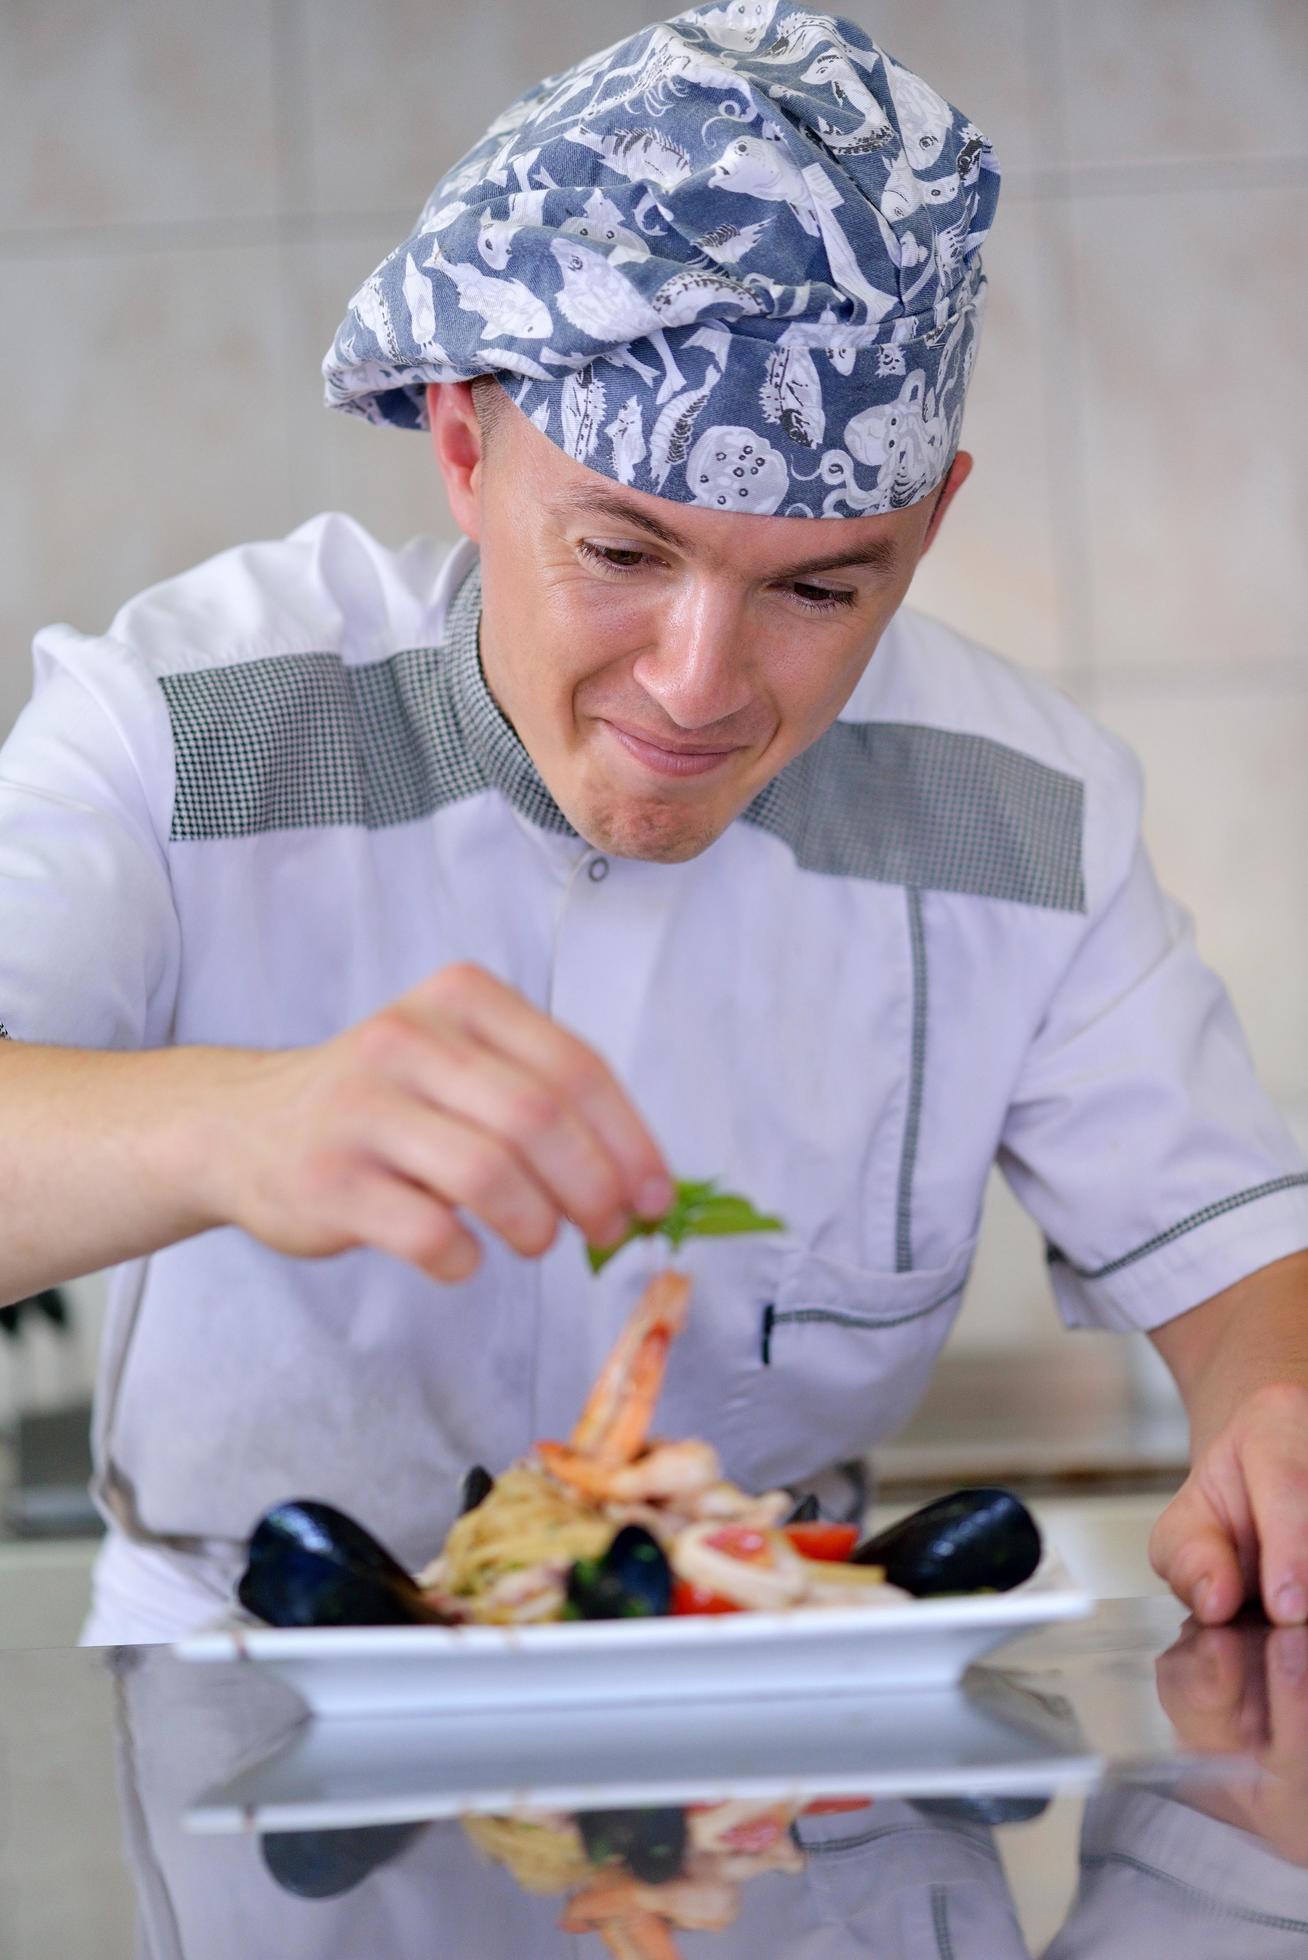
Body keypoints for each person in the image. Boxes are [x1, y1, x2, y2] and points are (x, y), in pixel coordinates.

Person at [0, 3, 1305, 1645]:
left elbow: (1244, 1272)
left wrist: (1278, 1414)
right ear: (466, 445)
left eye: (821, 588)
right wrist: (220, 1128)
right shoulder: (186, 721)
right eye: (620, 556)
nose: (697, 689)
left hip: (781, 1737)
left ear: (928, 527)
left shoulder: (1021, 812)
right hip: (265, 1736)